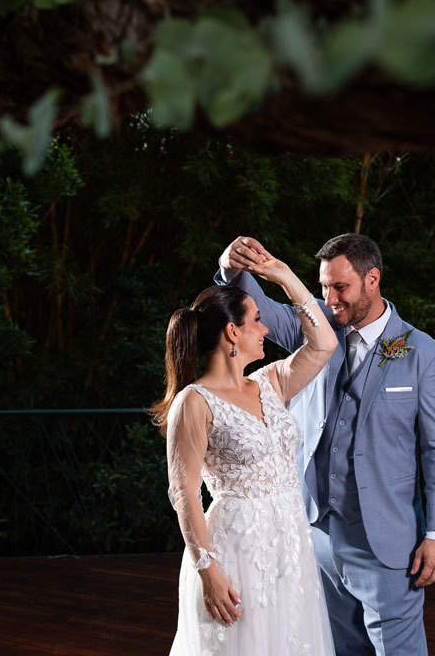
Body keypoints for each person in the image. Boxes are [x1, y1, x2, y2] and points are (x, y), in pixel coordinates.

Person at [217, 233, 435, 656]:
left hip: (384, 540)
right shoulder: (316, 328)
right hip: (316, 534)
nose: (329, 299)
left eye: (340, 287)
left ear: (372, 280)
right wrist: (230, 268)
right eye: (324, 287)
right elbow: (256, 307)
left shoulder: (421, 353)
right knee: (337, 648)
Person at [153, 253, 339, 656]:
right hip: (236, 550)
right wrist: (208, 571)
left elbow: (325, 343)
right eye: (257, 319)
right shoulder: (194, 401)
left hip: (289, 544)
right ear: (232, 332)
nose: (266, 328)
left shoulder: (271, 382)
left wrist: (284, 277)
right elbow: (184, 492)